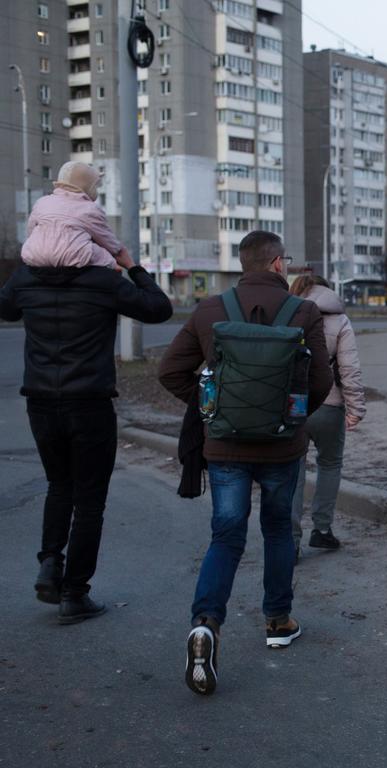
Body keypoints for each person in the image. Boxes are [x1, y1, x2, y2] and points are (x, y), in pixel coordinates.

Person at [158, 231, 332, 696]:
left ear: (244, 263)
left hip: (225, 448)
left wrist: (209, 408)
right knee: (278, 529)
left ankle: (206, 624)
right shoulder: (304, 311)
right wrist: (292, 417)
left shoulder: (211, 310)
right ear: (278, 264)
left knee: (227, 534)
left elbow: (169, 371)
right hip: (282, 447)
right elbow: (320, 380)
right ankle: (277, 620)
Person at [0, 234, 172, 623]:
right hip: (89, 403)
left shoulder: (27, 277)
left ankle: (49, 563)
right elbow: (159, 308)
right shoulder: (102, 280)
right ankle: (74, 593)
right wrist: (131, 265)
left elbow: (6, 309)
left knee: (59, 484)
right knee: (89, 500)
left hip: (40, 402)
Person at [289, 274, 366, 557]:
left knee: (292, 471)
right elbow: (349, 369)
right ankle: (322, 530)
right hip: (329, 405)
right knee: (330, 464)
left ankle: (290, 541)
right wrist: (356, 408)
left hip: (293, 407)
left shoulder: (287, 315)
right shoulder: (340, 321)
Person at [21, 161, 124, 269]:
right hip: (73, 256)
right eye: (95, 185)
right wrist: (115, 260)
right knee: (104, 255)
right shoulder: (90, 209)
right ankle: (115, 268)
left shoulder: (42, 202)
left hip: (35, 255)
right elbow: (111, 244)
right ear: (87, 185)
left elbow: (30, 231)